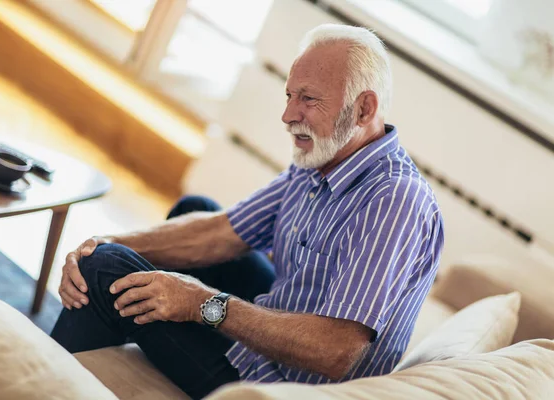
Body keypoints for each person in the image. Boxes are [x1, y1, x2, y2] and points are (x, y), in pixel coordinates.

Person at [51, 23, 444, 399]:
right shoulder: (324, 159)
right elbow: (222, 232)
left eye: (308, 99)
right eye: (290, 96)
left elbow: (336, 351)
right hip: (276, 342)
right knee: (189, 213)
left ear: (363, 109)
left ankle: (41, 378)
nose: (289, 115)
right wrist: (105, 239)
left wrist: (205, 303)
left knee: (103, 268)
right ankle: (104, 333)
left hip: (280, 388)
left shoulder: (394, 201)